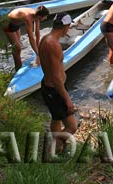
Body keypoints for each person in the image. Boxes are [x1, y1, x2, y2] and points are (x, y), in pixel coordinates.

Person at [38, 13, 77, 152]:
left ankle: (58, 149)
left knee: (56, 118)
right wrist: (68, 100)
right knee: (72, 127)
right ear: (65, 26)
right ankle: (51, 149)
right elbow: (56, 77)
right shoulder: (53, 44)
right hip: (55, 89)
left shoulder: (45, 39)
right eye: (69, 26)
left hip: (48, 87)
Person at [3, 5, 50, 70]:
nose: (46, 18)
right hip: (7, 23)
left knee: (17, 48)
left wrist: (38, 52)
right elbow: (31, 38)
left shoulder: (36, 15)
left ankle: (17, 64)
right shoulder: (28, 18)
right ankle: (18, 69)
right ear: (40, 16)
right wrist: (38, 55)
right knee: (18, 48)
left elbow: (37, 33)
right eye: (45, 16)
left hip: (16, 24)